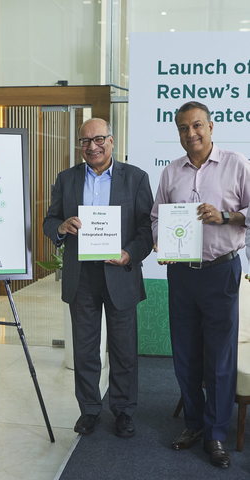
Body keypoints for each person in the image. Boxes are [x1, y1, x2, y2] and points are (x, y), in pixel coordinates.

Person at [151, 101, 250, 469]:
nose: (190, 134)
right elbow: (157, 215)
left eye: (196, 126)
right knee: (186, 354)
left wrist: (225, 216)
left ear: (211, 127)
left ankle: (216, 434)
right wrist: (160, 239)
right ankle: (193, 424)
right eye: (182, 128)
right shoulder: (171, 172)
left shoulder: (236, 164)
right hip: (180, 273)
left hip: (220, 272)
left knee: (220, 357)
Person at [43, 118, 153, 437]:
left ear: (112, 140)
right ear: (80, 145)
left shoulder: (135, 178)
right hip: (83, 276)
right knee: (86, 349)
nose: (92, 146)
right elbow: (50, 220)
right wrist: (61, 228)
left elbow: (146, 230)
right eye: (85, 141)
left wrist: (129, 253)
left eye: (99, 139)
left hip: (120, 272)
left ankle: (123, 411)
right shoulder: (66, 179)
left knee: (123, 349)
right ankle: (90, 410)